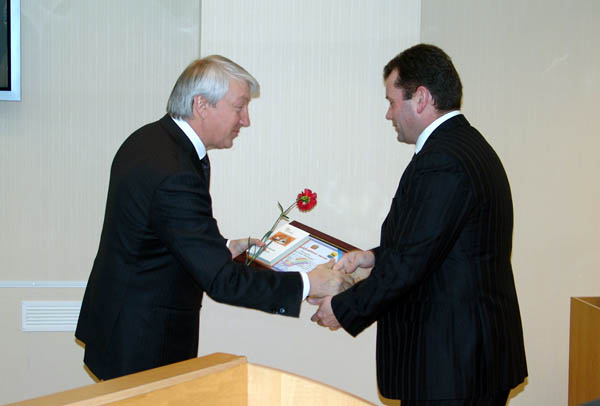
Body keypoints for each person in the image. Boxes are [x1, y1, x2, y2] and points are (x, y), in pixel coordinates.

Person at [75, 55, 353, 381]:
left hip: (121, 324)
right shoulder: (174, 170)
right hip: (143, 342)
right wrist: (307, 283)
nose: (246, 120)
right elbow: (222, 282)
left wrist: (221, 248)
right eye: (239, 106)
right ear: (202, 105)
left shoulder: (150, 140)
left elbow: (159, 234)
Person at [310, 44, 527, 405]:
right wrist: (373, 257)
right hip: (469, 359)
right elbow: (437, 244)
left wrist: (343, 308)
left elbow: (413, 261)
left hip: (453, 366)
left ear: (421, 98)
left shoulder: (443, 159)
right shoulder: (466, 145)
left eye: (392, 101)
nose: (389, 114)